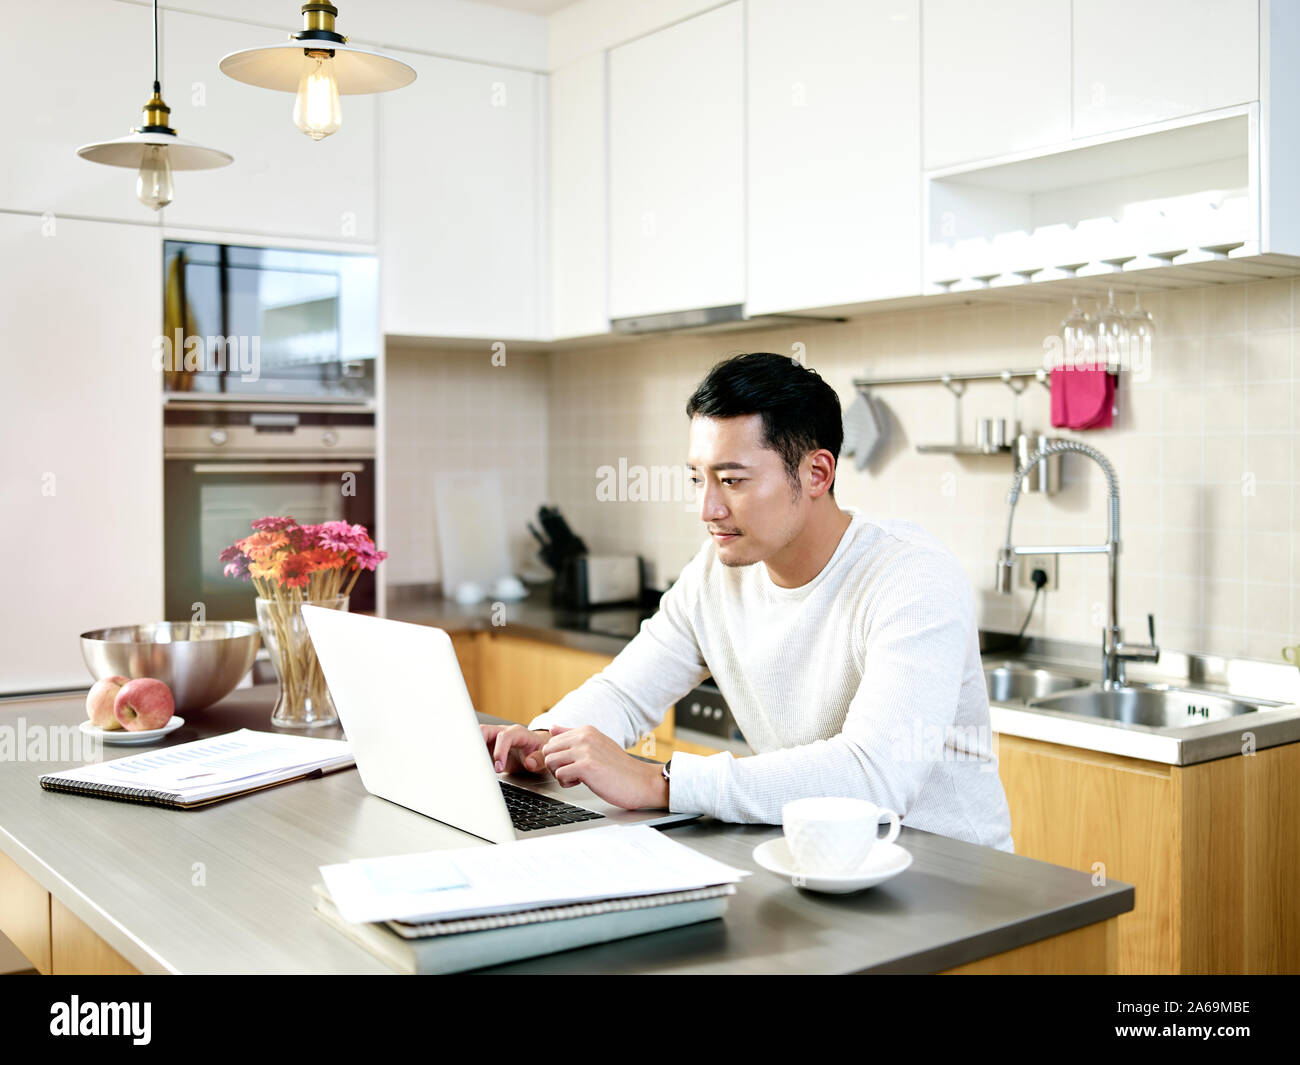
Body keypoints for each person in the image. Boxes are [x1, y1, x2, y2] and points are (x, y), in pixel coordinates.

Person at [482, 352, 1014, 852]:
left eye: (732, 480)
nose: (708, 508)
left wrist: (659, 780)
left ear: (816, 474)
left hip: (949, 883)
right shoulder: (717, 573)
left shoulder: (910, 577)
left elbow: (877, 774)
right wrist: (547, 738)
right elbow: (625, 692)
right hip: (817, 862)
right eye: (699, 478)